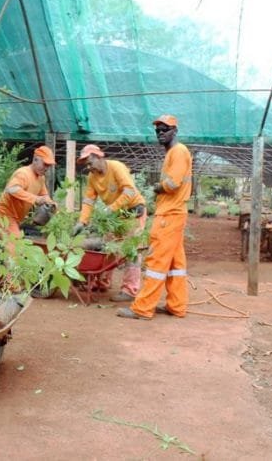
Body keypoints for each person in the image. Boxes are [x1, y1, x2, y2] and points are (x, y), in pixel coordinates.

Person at [117, 114, 193, 320]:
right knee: (176, 263)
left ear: (175, 131)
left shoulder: (178, 151)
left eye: (165, 129)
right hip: (174, 213)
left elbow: (172, 184)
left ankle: (142, 308)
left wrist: (158, 187)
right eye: (158, 130)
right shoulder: (174, 152)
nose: (160, 133)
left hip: (169, 214)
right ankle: (176, 305)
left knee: (156, 261)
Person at [73, 144, 147, 302]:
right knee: (108, 247)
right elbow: (88, 201)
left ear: (99, 157)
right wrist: (82, 221)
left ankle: (129, 290)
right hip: (115, 215)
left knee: (130, 250)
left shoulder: (116, 167)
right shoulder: (92, 177)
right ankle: (103, 282)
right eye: (86, 164)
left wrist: (110, 209)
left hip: (133, 211)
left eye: (90, 163)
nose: (89, 167)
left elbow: (129, 191)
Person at [0, 145, 57, 293]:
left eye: (49, 165)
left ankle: (6, 282)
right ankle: (12, 287)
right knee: (12, 247)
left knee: (16, 247)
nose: (46, 168)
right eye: (45, 164)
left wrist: (51, 203)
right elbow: (12, 189)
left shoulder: (40, 178)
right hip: (3, 213)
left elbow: (44, 195)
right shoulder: (23, 173)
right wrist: (35, 199)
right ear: (35, 160)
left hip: (14, 217)